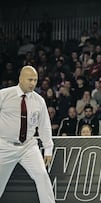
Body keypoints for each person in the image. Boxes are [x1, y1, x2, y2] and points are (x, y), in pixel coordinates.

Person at [0, 66, 55, 203]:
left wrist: (48, 148)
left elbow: (44, 126)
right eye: (30, 79)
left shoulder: (39, 101)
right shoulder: (4, 95)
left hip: (28, 146)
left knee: (42, 175)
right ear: (20, 79)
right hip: (4, 146)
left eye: (35, 80)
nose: (33, 83)